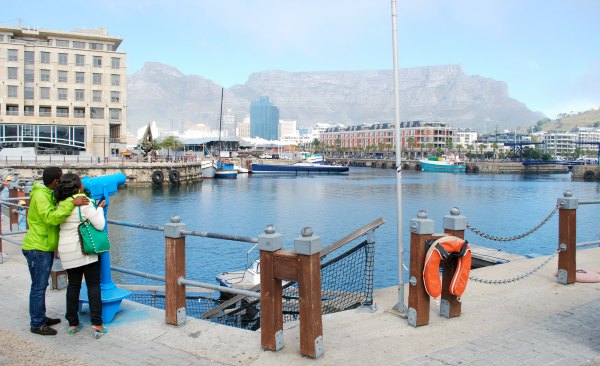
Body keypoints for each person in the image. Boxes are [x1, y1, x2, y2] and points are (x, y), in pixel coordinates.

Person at [22, 167, 89, 336]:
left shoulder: (47, 194)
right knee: (38, 287)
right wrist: (71, 203)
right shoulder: (40, 196)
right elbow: (51, 217)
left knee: (41, 285)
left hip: (44, 246)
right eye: (61, 179)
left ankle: (41, 317)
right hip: (38, 247)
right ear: (55, 182)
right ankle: (37, 323)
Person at [54, 173, 107, 338]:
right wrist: (99, 208)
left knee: (73, 286)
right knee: (93, 286)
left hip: (67, 251)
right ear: (78, 187)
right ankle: (97, 324)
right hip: (85, 251)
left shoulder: (61, 204)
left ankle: (73, 323)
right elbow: (99, 225)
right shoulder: (84, 203)